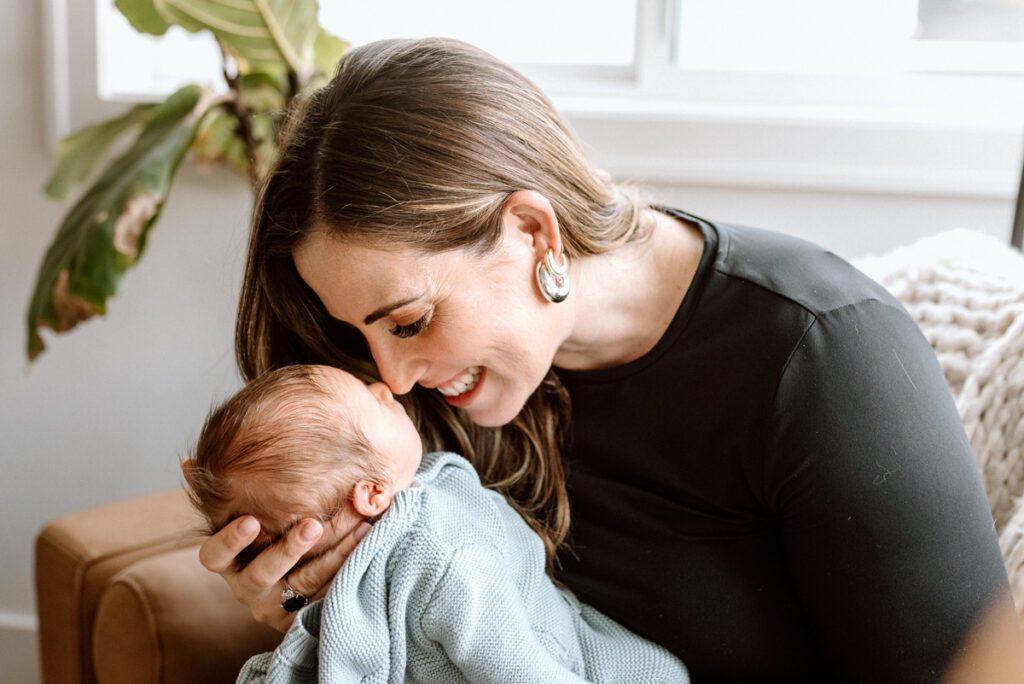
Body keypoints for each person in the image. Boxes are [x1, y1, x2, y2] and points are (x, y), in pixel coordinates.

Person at [196, 37, 1017, 680]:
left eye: (409, 322)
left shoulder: (822, 357)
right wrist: (314, 600)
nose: (395, 379)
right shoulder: (411, 409)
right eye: (359, 338)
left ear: (533, 232)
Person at [183, 363, 689, 683]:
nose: (387, 387)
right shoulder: (443, 557)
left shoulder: (400, 528)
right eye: (373, 403)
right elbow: (511, 664)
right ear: (373, 495)